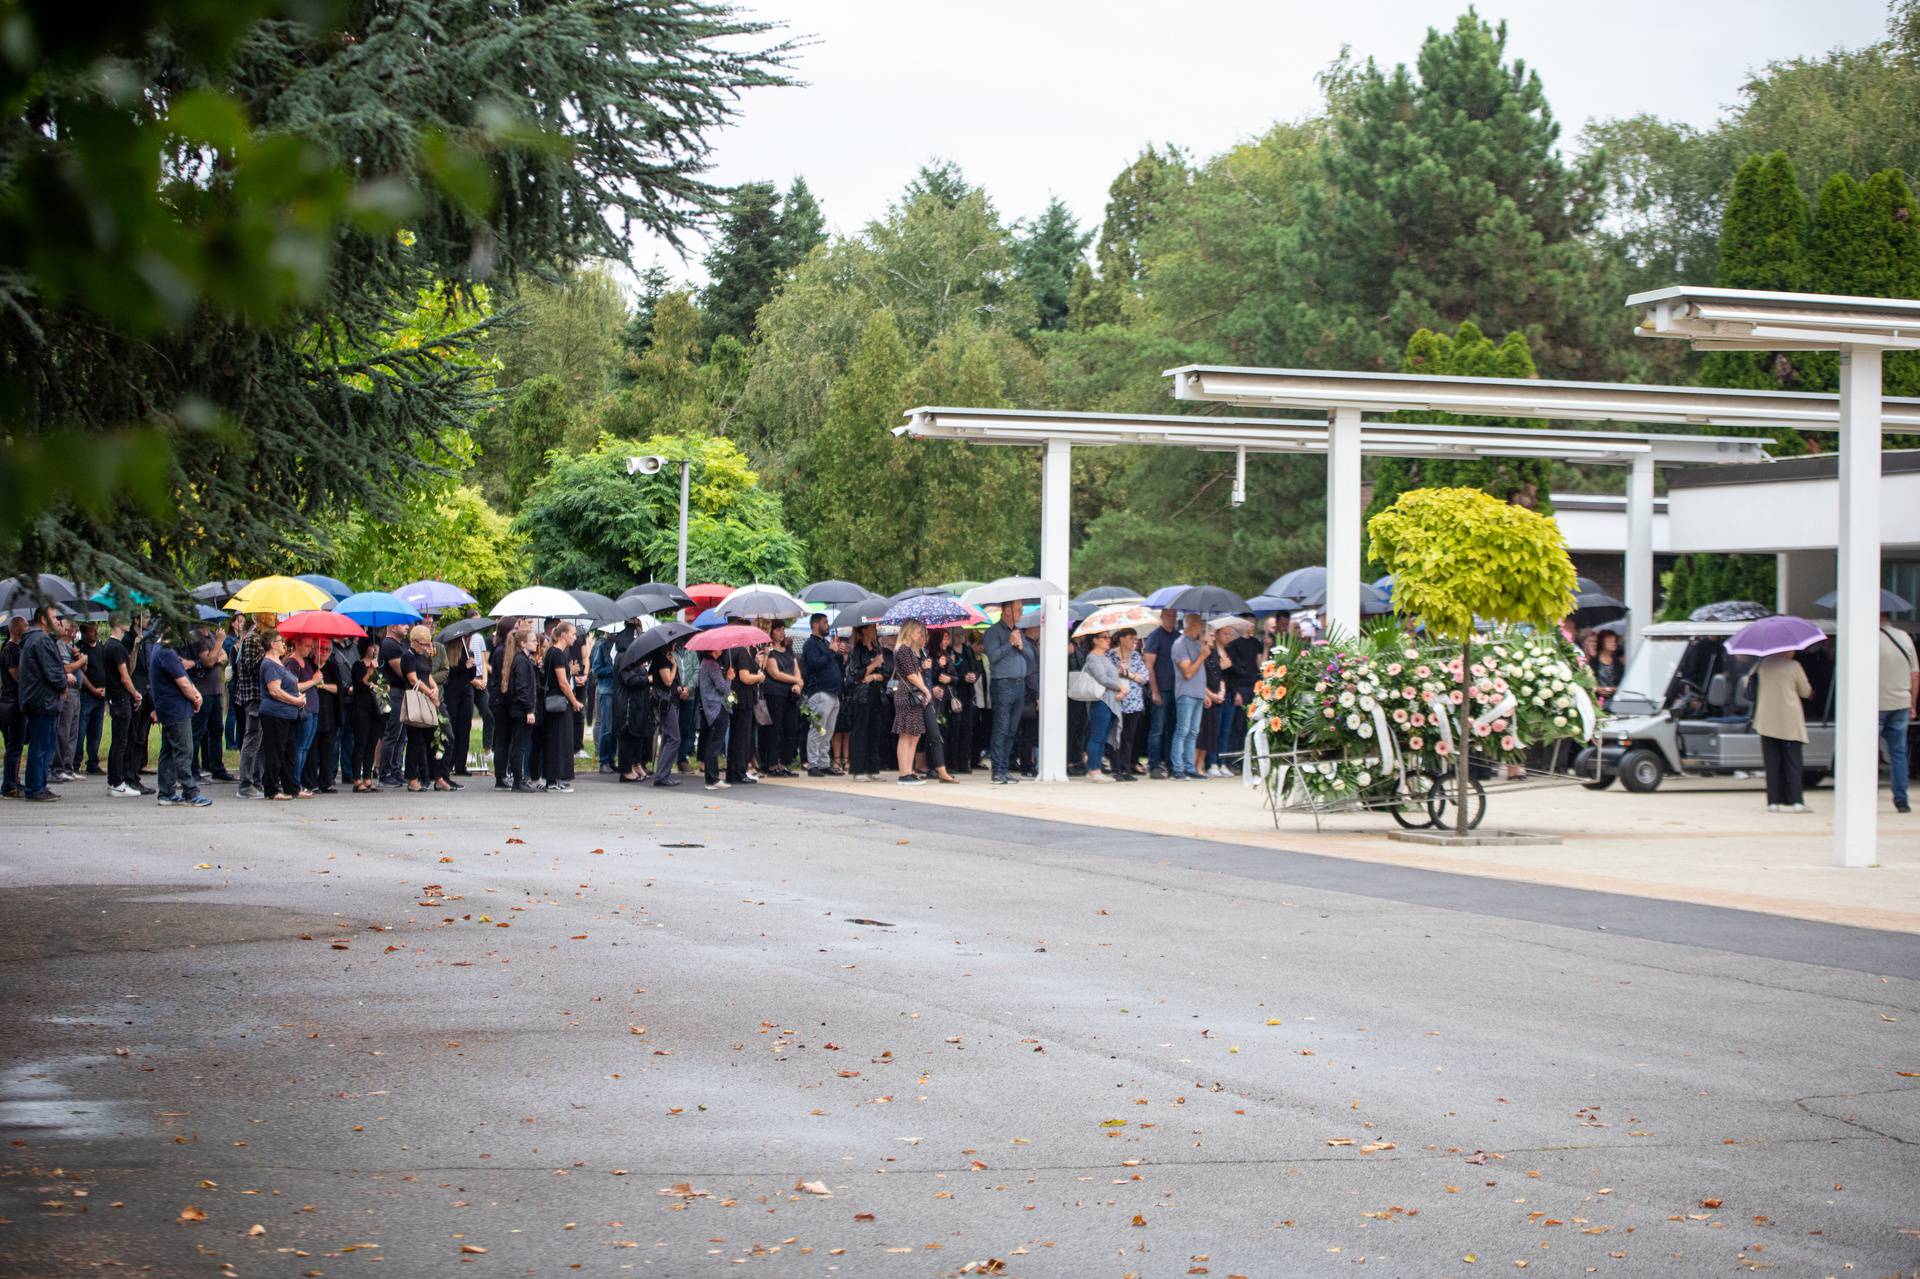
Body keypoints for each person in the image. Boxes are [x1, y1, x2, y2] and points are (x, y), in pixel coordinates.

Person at [147, 623, 209, 807]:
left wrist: (193, 694)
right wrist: (196, 698)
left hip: (168, 707)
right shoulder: (166, 652)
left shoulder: (159, 650)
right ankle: (190, 791)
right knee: (184, 750)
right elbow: (182, 682)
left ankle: (166, 792)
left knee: (169, 751)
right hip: (176, 708)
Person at [1752, 647, 1814, 814]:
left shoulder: (1762, 665)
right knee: (1793, 762)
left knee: (1772, 764)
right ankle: (1797, 802)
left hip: (1766, 719)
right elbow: (1805, 691)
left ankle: (1773, 802)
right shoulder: (1793, 666)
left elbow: (1749, 685)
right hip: (1789, 720)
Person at [16, 605, 67, 801]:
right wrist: (62, 683)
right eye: (54, 618)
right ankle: (36, 788)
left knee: (41, 745)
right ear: (43, 620)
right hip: (43, 701)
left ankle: (37, 785)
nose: (58, 621)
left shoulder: (33, 639)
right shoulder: (42, 640)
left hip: (36, 699)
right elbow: (52, 671)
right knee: (42, 746)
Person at [93, 617, 143, 796]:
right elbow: (125, 677)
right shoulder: (116, 647)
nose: (128, 621)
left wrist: (135, 648)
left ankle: (116, 781)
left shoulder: (114, 647)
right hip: (121, 699)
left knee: (120, 741)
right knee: (120, 743)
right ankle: (116, 782)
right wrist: (135, 693)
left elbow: (129, 668)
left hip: (116, 698)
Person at [982, 601, 1030, 785]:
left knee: (1012, 730)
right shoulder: (994, 632)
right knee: (1001, 728)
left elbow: (1031, 657)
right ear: (1007, 610)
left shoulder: (1018, 631)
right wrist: (1010, 644)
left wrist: (1021, 646)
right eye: (1018, 609)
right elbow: (992, 656)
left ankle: (1005, 768)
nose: (1021, 612)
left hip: (1020, 685)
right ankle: (997, 770)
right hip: (1003, 684)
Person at [256, 630, 306, 801]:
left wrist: (298, 698)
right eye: (280, 640)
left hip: (287, 715)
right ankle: (271, 789)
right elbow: (275, 691)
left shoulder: (278, 662)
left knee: (289, 752)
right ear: (272, 644)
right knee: (275, 752)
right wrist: (295, 700)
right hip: (275, 713)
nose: (284, 643)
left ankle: (292, 787)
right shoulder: (269, 664)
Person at [1880, 615, 1918, 814]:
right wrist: (1912, 703)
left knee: (1867, 753)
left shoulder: (1869, 638)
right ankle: (1901, 801)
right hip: (1901, 702)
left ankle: (1864, 796)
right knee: (1898, 753)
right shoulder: (1904, 637)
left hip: (1876, 704)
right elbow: (1915, 674)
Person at [1080, 628, 1127, 783]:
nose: (1108, 640)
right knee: (1097, 736)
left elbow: (1111, 678)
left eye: (1109, 637)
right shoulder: (1093, 658)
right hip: (1101, 702)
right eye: (1104, 637)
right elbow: (1102, 678)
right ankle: (1093, 769)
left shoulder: (1105, 657)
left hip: (1111, 701)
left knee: (1102, 737)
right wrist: (1119, 687)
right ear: (1095, 640)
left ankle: (1096, 768)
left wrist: (1120, 684)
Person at [800, 612, 843, 777]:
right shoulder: (810, 644)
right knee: (817, 729)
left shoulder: (825, 643)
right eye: (825, 623)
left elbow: (832, 664)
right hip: (819, 692)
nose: (828, 625)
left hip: (833, 692)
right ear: (815, 624)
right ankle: (813, 764)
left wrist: (837, 653)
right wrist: (830, 652)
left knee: (829, 731)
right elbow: (814, 665)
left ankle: (824, 762)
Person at [1169, 613, 1211, 780]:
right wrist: (1202, 656)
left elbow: (1200, 671)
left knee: (1193, 732)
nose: (1201, 626)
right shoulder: (1179, 645)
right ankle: (1177, 768)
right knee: (1183, 730)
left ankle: (1189, 767)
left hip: (1198, 692)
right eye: (1197, 623)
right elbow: (1187, 672)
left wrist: (1205, 693)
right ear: (1189, 625)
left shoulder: (1197, 643)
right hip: (1186, 692)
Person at [541, 620, 580, 793]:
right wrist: (574, 701)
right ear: (563, 634)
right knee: (557, 740)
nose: (575, 637)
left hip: (555, 699)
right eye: (572, 634)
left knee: (560, 739)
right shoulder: (557, 654)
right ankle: (553, 779)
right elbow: (563, 683)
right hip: (558, 700)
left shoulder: (556, 653)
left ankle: (557, 777)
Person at [892, 619, 932, 785]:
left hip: (912, 693)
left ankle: (909, 770)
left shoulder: (910, 650)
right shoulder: (902, 650)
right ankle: (904, 773)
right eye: (917, 632)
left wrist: (923, 689)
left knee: (914, 734)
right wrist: (925, 689)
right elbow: (911, 674)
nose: (919, 635)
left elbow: (916, 671)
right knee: (906, 734)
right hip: (906, 693)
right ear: (909, 632)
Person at [759, 621, 802, 777]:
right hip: (775, 693)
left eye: (783, 629)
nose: (781, 632)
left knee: (790, 728)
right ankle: (770, 764)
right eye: (777, 629)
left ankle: (783, 763)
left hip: (791, 694)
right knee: (774, 730)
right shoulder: (769, 651)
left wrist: (798, 683)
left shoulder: (788, 650)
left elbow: (796, 668)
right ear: (771, 632)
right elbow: (774, 673)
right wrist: (795, 681)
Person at [187, 623, 229, 782]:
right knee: (198, 732)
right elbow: (209, 661)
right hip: (202, 691)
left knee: (217, 730)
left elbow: (224, 657)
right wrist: (219, 643)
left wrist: (216, 653)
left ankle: (216, 767)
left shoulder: (211, 635)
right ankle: (193, 769)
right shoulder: (196, 636)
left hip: (216, 691)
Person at [234, 614, 270, 799]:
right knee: (252, 739)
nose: (273, 617)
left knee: (261, 741)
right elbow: (248, 666)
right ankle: (245, 784)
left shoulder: (265, 637)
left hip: (263, 696)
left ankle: (257, 780)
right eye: (270, 613)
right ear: (261, 616)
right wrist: (268, 654)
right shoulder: (252, 638)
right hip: (253, 695)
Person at [1141, 608, 1179, 778]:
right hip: (1161, 689)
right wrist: (1154, 691)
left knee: (1173, 729)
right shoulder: (1155, 636)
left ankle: (1171, 764)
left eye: (1174, 615)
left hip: (1177, 689)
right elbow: (1149, 665)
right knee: (1158, 729)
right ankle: (1154, 765)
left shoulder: (1178, 637)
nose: (1171, 618)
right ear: (1162, 617)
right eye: (1168, 615)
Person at [725, 626, 763, 785]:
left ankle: (734, 771)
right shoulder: (741, 651)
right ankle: (739, 772)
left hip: (743, 699)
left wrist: (758, 663)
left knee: (739, 736)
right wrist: (759, 676)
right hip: (742, 699)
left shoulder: (746, 652)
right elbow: (745, 677)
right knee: (742, 737)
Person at [504, 624, 539, 793]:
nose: (536, 643)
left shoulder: (524, 660)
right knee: (519, 745)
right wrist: (529, 710)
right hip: (521, 709)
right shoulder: (520, 661)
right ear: (523, 643)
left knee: (521, 744)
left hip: (521, 708)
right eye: (532, 641)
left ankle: (519, 779)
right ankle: (518, 781)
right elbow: (522, 688)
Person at [375, 623, 408, 788]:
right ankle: (385, 772)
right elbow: (402, 671)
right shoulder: (389, 645)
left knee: (401, 736)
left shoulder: (399, 645)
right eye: (403, 624)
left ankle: (395, 770)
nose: (407, 626)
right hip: (395, 692)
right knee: (392, 733)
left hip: (401, 692)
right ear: (393, 626)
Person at [441, 630, 478, 782]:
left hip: (466, 692)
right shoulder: (449, 654)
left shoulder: (468, 652)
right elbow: (449, 673)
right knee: (453, 727)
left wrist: (472, 665)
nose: (467, 639)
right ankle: (449, 763)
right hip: (453, 693)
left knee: (465, 728)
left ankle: (461, 764)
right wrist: (464, 666)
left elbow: (471, 675)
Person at [1113, 628, 1148, 781]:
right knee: (1115, 736)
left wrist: (1129, 674)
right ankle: (1116, 769)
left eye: (1136, 639)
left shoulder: (1136, 656)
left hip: (1134, 702)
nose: (1134, 642)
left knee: (1129, 736)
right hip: (1117, 700)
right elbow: (1108, 676)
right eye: (1131, 638)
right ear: (1121, 638)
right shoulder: (1110, 655)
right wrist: (1120, 672)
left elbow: (1144, 678)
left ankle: (1126, 769)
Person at [347, 637, 382, 792]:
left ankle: (368, 777)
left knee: (371, 744)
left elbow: (383, 685)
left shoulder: (379, 666)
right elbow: (361, 684)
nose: (375, 648)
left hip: (375, 709)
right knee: (360, 744)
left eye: (376, 645)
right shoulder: (358, 665)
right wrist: (371, 670)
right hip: (360, 708)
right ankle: (356, 779)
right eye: (372, 645)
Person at [649, 644, 683, 788]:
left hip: (669, 702)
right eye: (674, 643)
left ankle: (662, 773)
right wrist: (674, 665)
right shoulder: (661, 659)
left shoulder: (663, 658)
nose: (675, 646)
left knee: (668, 738)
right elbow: (668, 681)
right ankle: (662, 775)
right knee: (675, 738)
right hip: (665, 703)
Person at [74, 620, 105, 776]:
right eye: (93, 630)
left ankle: (92, 762)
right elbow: (81, 672)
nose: (96, 633)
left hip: (101, 697)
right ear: (85, 632)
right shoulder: (79, 647)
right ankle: (75, 762)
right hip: (86, 695)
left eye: (97, 629)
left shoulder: (100, 647)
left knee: (96, 732)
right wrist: (93, 689)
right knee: (81, 731)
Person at [698, 647, 730, 790]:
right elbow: (723, 688)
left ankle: (712, 777)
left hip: (709, 708)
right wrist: (729, 677)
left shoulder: (705, 663)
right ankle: (712, 778)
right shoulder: (712, 664)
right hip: (717, 707)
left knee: (712, 743)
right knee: (714, 744)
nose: (722, 650)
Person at [592, 627, 619, 773]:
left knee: (614, 727)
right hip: (606, 689)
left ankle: (611, 759)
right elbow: (596, 670)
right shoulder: (602, 645)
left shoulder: (619, 645)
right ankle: (604, 760)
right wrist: (613, 669)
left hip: (617, 689)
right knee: (606, 726)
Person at [1593, 629, 1624, 709]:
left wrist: (1615, 689)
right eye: (1610, 641)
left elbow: (1622, 682)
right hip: (1597, 701)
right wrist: (1597, 689)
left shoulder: (1618, 662)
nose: (1613, 643)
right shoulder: (1594, 660)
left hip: (1614, 701)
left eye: (1614, 641)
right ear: (1602, 643)